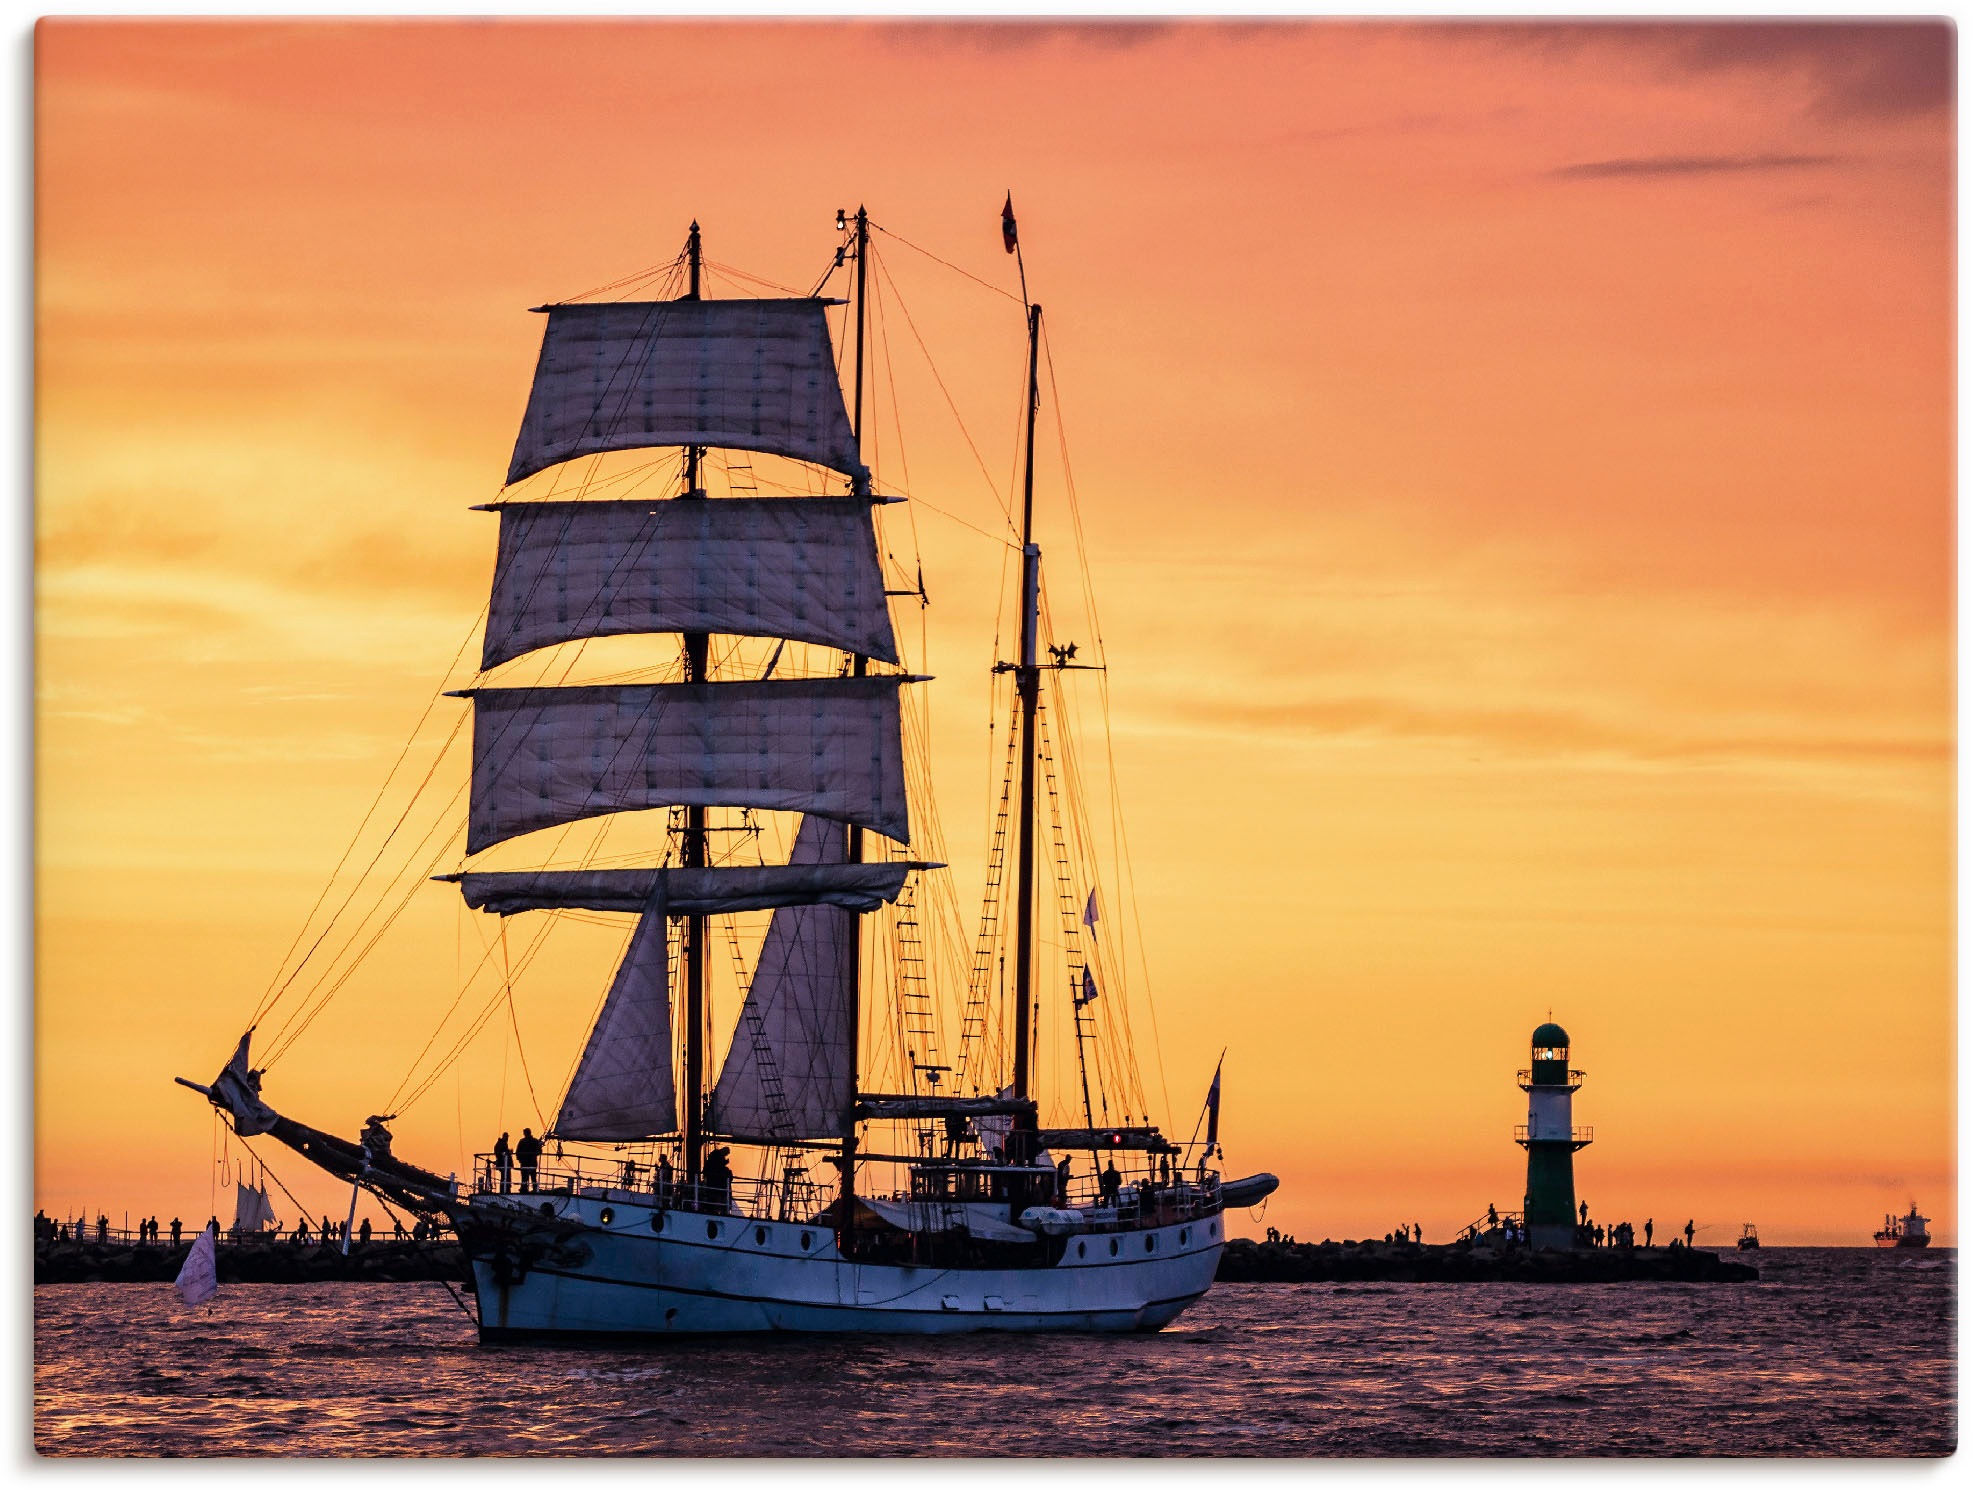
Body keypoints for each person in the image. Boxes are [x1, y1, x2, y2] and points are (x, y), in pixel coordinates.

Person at [515, 1129, 542, 1194]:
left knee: (524, 1177)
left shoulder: (522, 1141)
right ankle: (535, 1189)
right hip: (532, 1162)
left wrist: (520, 1160)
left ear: (525, 1133)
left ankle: (524, 1189)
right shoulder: (535, 1141)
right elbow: (539, 1151)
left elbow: (517, 1152)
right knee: (533, 1177)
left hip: (524, 1162)